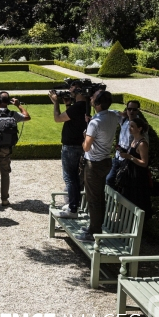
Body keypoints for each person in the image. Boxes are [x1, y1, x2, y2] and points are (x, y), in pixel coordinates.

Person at [76, 90, 122, 242]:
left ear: (98, 103)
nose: (91, 98)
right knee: (99, 196)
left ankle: (93, 232)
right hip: (106, 161)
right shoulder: (113, 115)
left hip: (93, 164)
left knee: (93, 199)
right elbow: (122, 115)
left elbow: (86, 147)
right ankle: (95, 226)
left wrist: (85, 137)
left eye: (94, 98)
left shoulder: (95, 123)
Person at [49, 82, 88, 218]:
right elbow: (74, 121)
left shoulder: (77, 107)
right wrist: (67, 105)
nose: (69, 91)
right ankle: (74, 204)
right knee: (76, 178)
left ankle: (72, 209)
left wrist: (55, 102)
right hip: (80, 145)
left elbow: (57, 118)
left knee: (69, 178)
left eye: (71, 89)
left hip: (71, 146)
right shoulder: (86, 106)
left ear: (78, 92)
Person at [118, 117, 152, 217]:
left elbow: (144, 163)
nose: (130, 128)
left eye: (132, 126)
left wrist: (130, 157)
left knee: (136, 199)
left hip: (138, 177)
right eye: (129, 126)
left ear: (140, 128)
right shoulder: (133, 140)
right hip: (130, 174)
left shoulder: (142, 144)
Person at [107, 100, 142, 188]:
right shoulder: (124, 120)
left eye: (134, 109)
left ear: (138, 111)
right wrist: (120, 113)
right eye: (129, 109)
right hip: (118, 156)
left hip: (128, 159)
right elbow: (106, 112)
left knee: (123, 183)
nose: (131, 111)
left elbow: (143, 142)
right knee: (109, 179)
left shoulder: (139, 125)